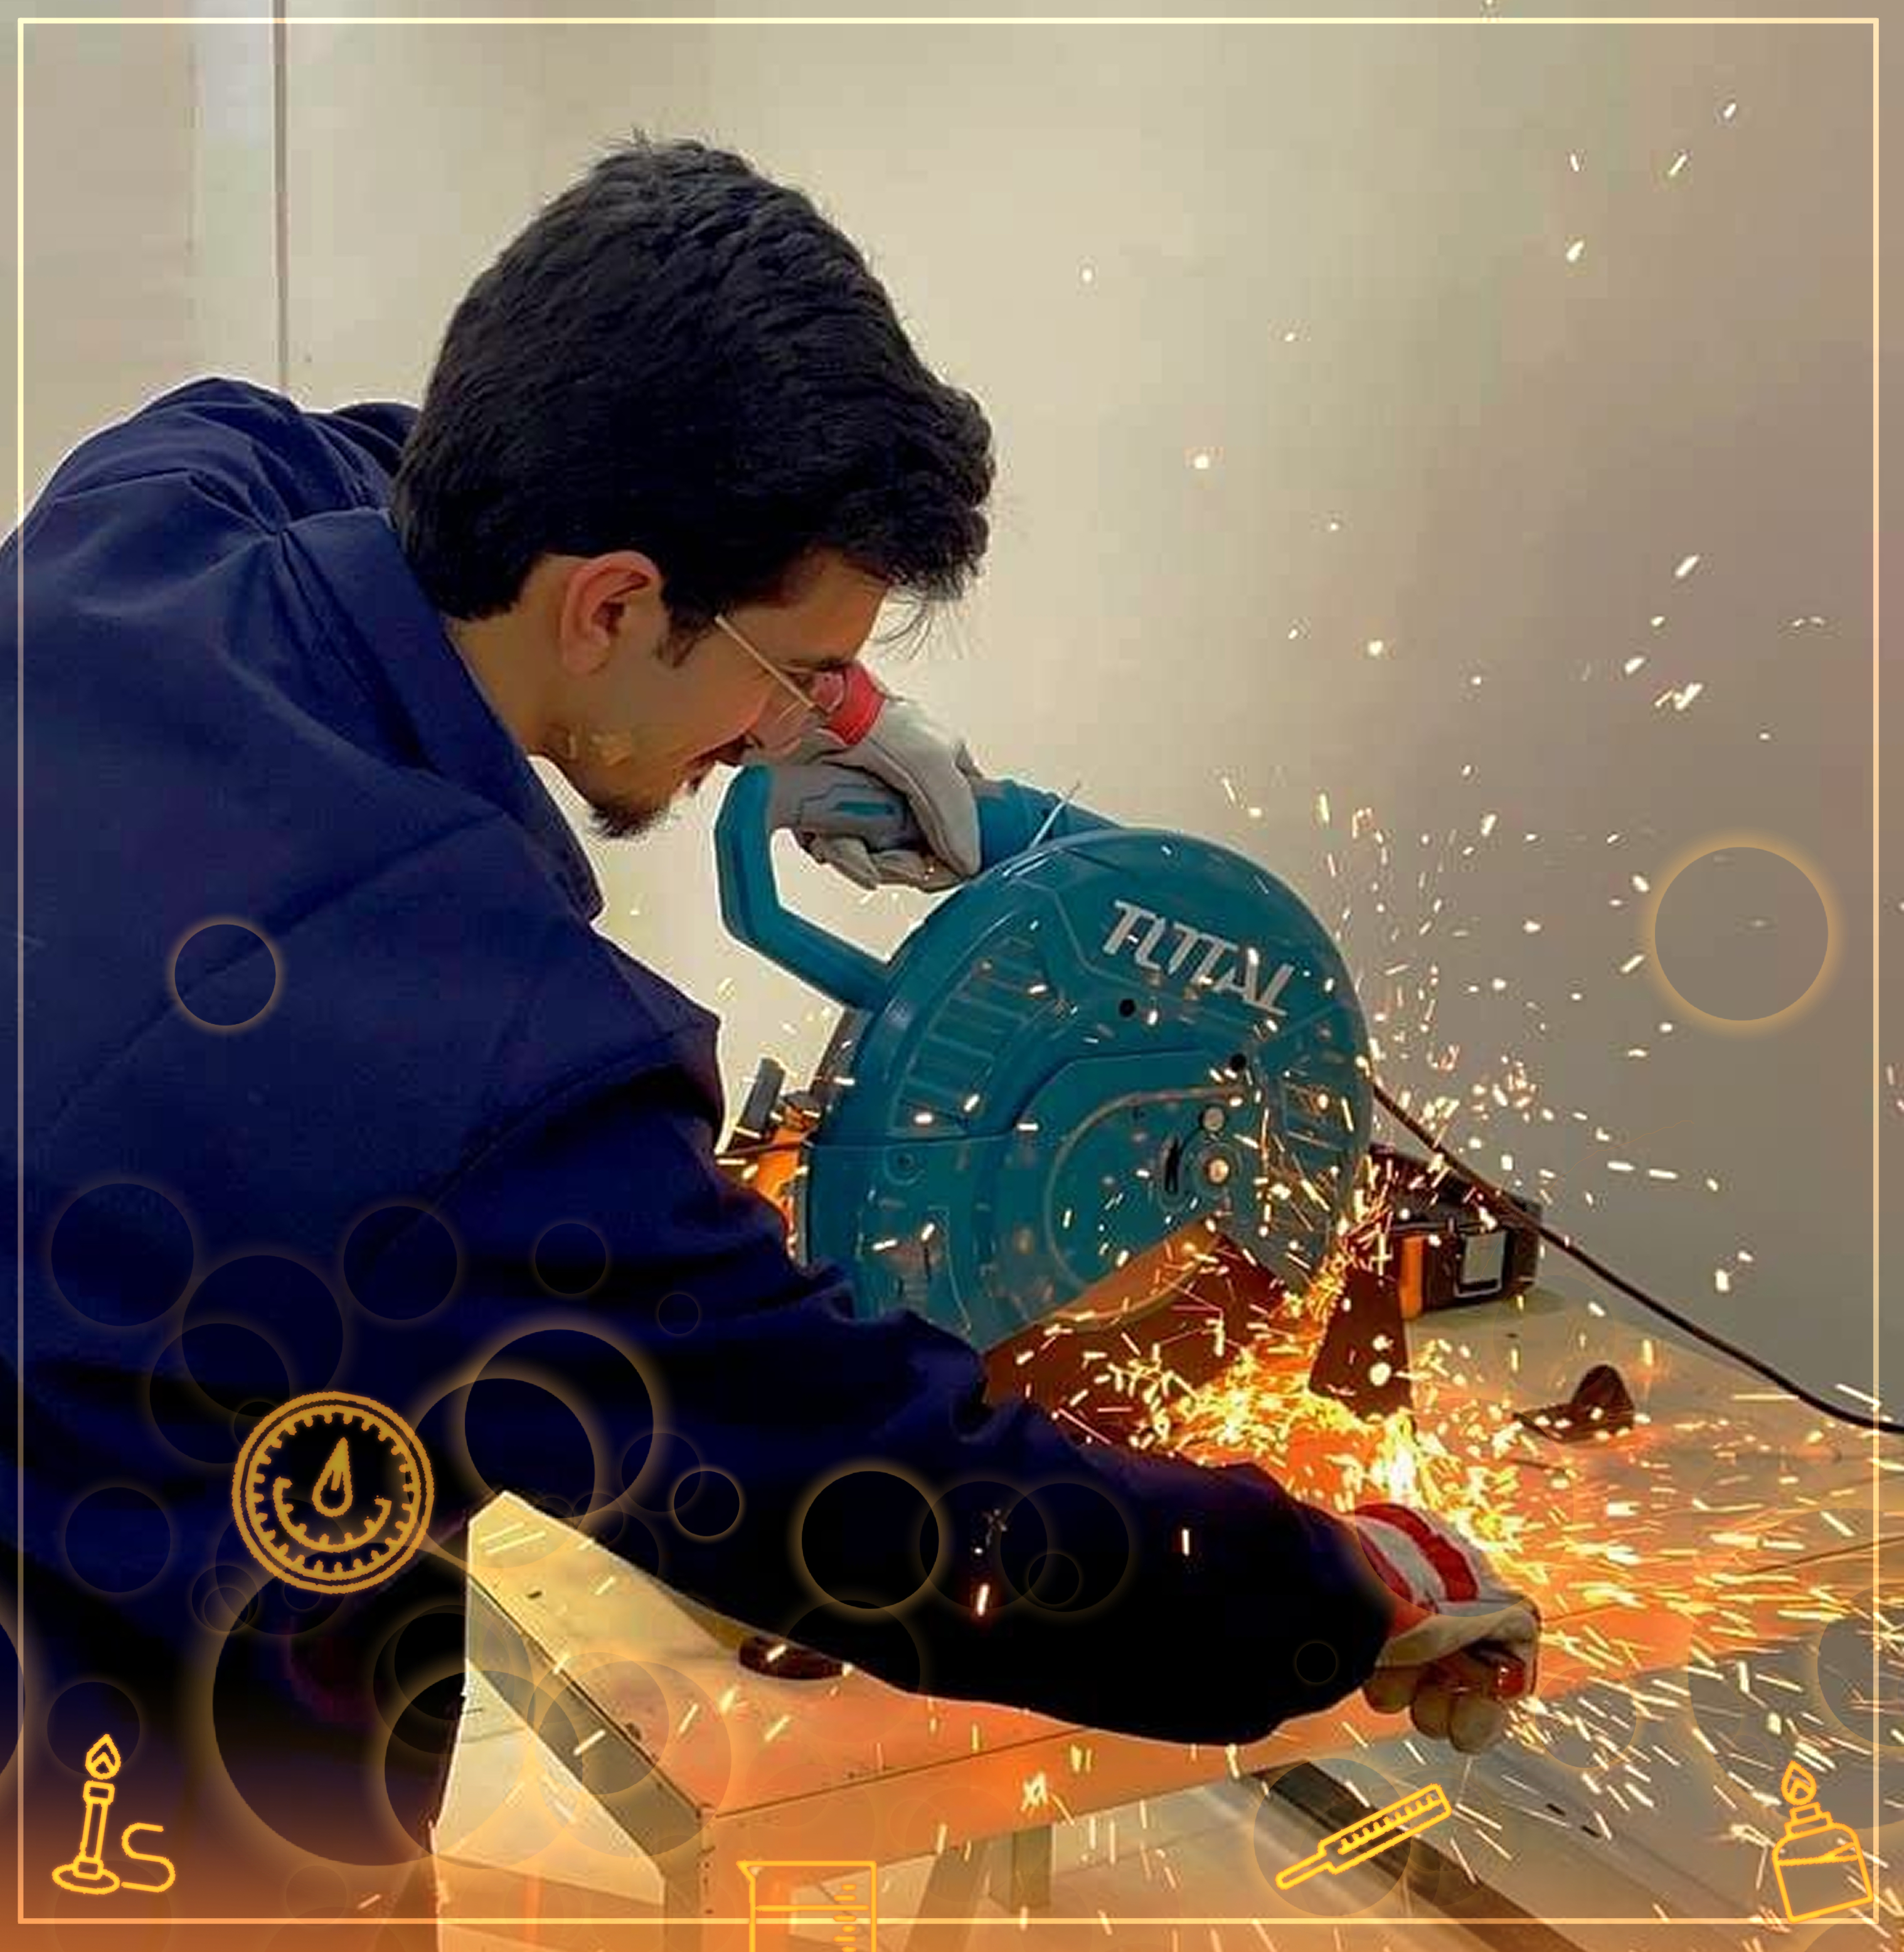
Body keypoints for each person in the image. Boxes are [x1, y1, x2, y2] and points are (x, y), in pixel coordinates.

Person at [2, 132, 1539, 1939]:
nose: (781, 725)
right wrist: (1331, 1587)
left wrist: (835, 710)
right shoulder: (469, 1070)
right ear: (611, 602)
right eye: (789, 670)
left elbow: (423, 460)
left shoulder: (168, 497)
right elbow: (888, 1506)